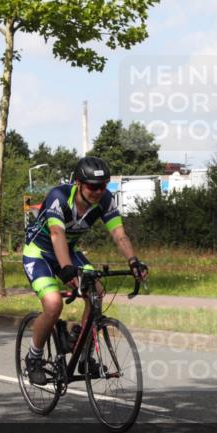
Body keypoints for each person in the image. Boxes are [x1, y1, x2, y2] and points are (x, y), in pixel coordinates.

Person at [21, 156, 149, 384]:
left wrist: (133, 261)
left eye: (103, 186)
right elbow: (56, 234)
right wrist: (66, 269)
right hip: (39, 252)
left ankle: (82, 351)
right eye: (93, 186)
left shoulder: (105, 200)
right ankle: (34, 357)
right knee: (53, 305)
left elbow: (119, 234)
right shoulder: (58, 197)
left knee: (96, 290)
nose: (98, 191)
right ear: (79, 183)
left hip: (68, 251)